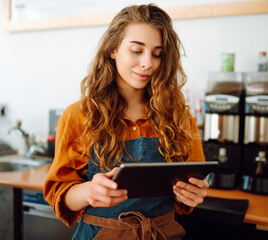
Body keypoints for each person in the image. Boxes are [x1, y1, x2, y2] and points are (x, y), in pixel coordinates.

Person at [44, 4, 208, 240]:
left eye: (157, 54)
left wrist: (190, 195)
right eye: (136, 50)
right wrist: (89, 191)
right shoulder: (78, 115)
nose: (147, 63)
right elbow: (59, 193)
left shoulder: (180, 117)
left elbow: (191, 185)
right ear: (113, 49)